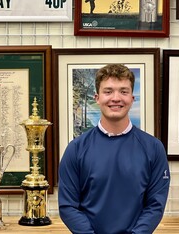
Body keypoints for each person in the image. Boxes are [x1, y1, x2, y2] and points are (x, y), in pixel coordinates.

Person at [58, 64, 170, 234]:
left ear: (132, 98)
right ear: (97, 97)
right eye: (108, 91)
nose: (116, 98)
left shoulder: (153, 148)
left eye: (123, 91)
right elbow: (68, 207)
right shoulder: (76, 149)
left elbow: (155, 205)